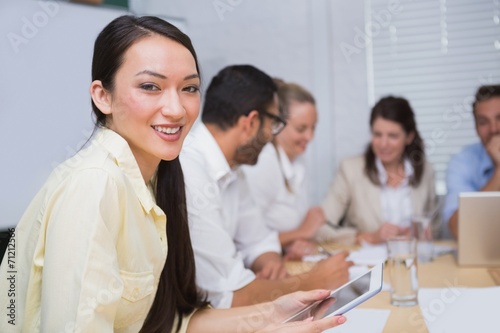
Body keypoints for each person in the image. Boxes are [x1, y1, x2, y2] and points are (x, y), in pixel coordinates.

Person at [0, 15, 347, 333]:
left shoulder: (159, 177)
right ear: (103, 97)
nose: (177, 109)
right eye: (150, 86)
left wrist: (270, 315)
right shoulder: (95, 185)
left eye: (190, 88)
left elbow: (173, 322)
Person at [180, 65, 353, 309]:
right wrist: (313, 280)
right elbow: (229, 297)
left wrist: (269, 261)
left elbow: (259, 240)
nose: (272, 136)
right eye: (273, 124)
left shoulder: (233, 171)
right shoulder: (190, 172)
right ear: (251, 122)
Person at [321, 96, 440, 244]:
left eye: (393, 136)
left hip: (413, 261)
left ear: (409, 137)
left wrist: (420, 233)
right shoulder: (350, 170)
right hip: (366, 263)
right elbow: (320, 227)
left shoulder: (427, 171)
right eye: (377, 134)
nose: (383, 144)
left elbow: (435, 227)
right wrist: (368, 237)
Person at [242, 79, 327, 260]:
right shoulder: (264, 162)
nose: (310, 136)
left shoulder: (297, 161)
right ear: (277, 124)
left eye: (313, 127)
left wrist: (293, 243)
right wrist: (303, 231)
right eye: (301, 128)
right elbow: (244, 241)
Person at [444, 84, 500, 239]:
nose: (494, 129)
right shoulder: (462, 162)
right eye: (483, 122)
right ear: (476, 128)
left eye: (499, 118)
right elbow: (457, 229)